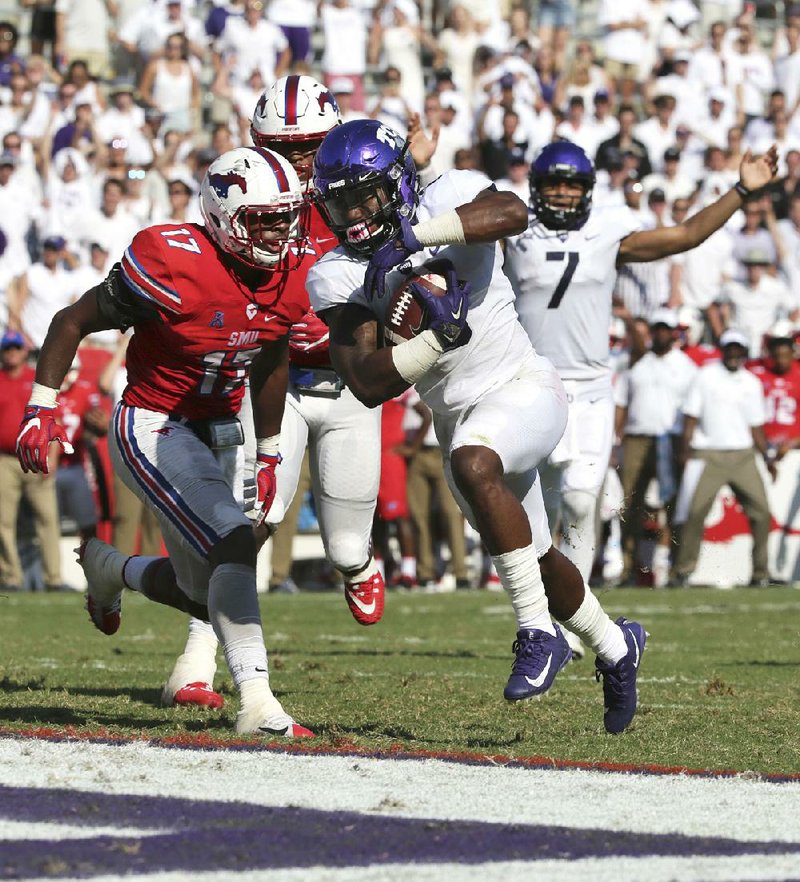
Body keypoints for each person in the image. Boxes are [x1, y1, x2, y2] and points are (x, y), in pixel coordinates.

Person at [308, 118, 647, 734]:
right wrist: (436, 338)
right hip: (457, 416)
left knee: (473, 461)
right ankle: (618, 645)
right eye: (340, 201)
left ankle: (534, 632)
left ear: (397, 182)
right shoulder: (336, 271)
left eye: (365, 194)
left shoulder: (443, 196)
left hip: (524, 387)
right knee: (538, 556)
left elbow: (513, 212)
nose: (354, 213)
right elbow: (367, 379)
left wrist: (415, 236)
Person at [15, 145, 318, 739]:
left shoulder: (293, 273)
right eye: (264, 218)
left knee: (204, 594)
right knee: (233, 544)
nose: (279, 232)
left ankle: (110, 570)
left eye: (286, 217)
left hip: (223, 426)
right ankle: (257, 703)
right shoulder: (173, 259)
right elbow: (71, 320)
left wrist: (271, 448)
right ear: (225, 214)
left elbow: (273, 354)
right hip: (154, 424)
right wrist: (42, 405)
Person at [162, 74, 387, 709]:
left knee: (344, 544)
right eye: (283, 147)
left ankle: (356, 564)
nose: (297, 162)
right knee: (249, 521)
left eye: (310, 145)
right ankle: (197, 661)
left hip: (347, 387)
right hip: (275, 383)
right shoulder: (250, 201)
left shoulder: (360, 198)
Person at [503, 140, 778, 600]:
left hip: (590, 387)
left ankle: (571, 620)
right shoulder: (513, 231)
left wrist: (741, 192)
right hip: (532, 384)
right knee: (540, 509)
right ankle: (536, 611)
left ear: (588, 190)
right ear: (536, 188)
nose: (564, 195)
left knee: (579, 499)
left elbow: (685, 235)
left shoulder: (607, 233)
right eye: (554, 184)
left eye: (573, 186)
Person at [672, 328, 776, 587]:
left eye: (738, 349)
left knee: (762, 513)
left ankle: (761, 574)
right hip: (709, 454)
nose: (733, 353)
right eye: (729, 347)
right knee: (695, 512)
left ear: (744, 352)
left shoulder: (751, 382)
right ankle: (683, 571)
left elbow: (756, 427)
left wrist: (768, 458)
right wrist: (685, 449)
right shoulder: (706, 375)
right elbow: (691, 416)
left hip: (743, 454)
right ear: (723, 348)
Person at [613, 309, 698, 586]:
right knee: (631, 504)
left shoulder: (686, 366)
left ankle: (675, 570)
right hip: (637, 438)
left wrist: (686, 446)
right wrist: (616, 440)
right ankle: (628, 569)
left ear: (675, 333)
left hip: (670, 439)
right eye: (657, 328)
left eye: (666, 329)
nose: (661, 333)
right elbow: (621, 404)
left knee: (673, 505)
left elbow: (692, 411)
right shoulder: (637, 364)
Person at [1, 330, 64, 592]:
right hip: (4, 459)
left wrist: (53, 456)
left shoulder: (37, 380)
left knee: (48, 518)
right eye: (8, 348)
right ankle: (10, 578)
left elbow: (53, 420)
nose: (12, 352)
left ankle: (54, 579)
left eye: (16, 347)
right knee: (3, 521)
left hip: (37, 455)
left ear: (25, 351)